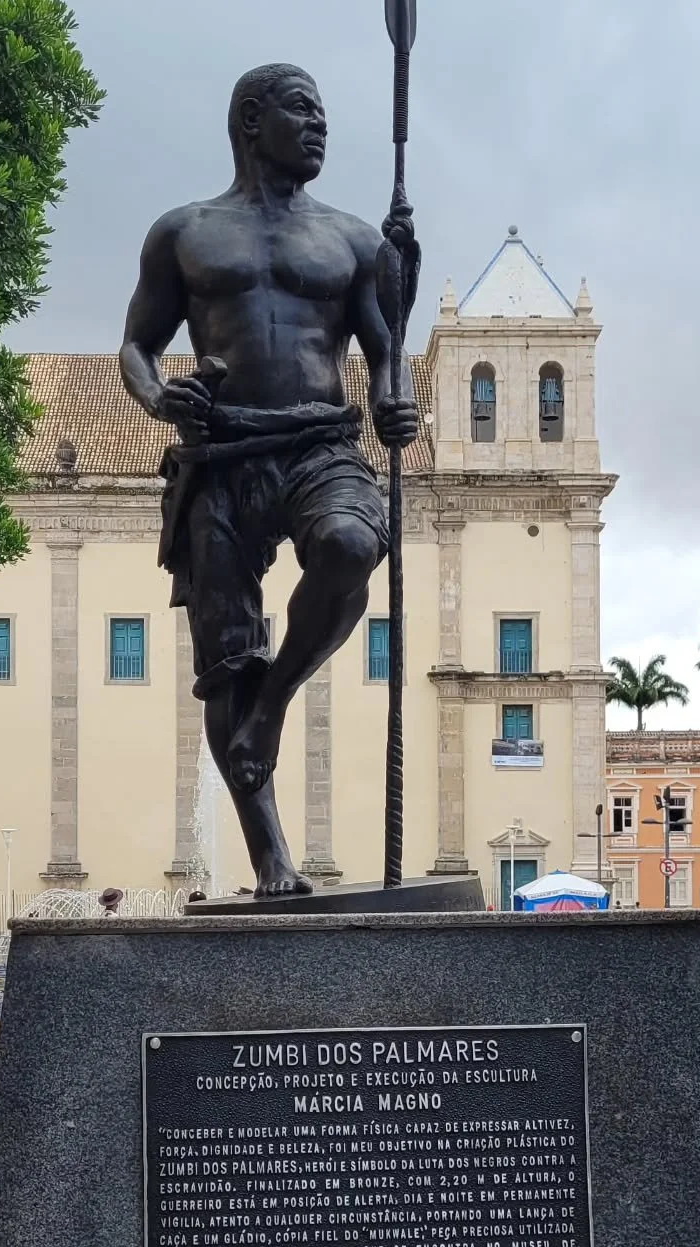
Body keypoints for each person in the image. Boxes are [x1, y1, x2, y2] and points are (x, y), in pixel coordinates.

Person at [120, 63, 419, 897]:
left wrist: (400, 402)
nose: (320, 125)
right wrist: (156, 395)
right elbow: (137, 346)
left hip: (320, 443)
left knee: (352, 544)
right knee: (227, 659)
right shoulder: (184, 233)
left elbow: (386, 352)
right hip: (219, 454)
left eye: (325, 112)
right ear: (251, 120)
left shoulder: (358, 240)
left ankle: (276, 702)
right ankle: (272, 860)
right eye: (302, 110)